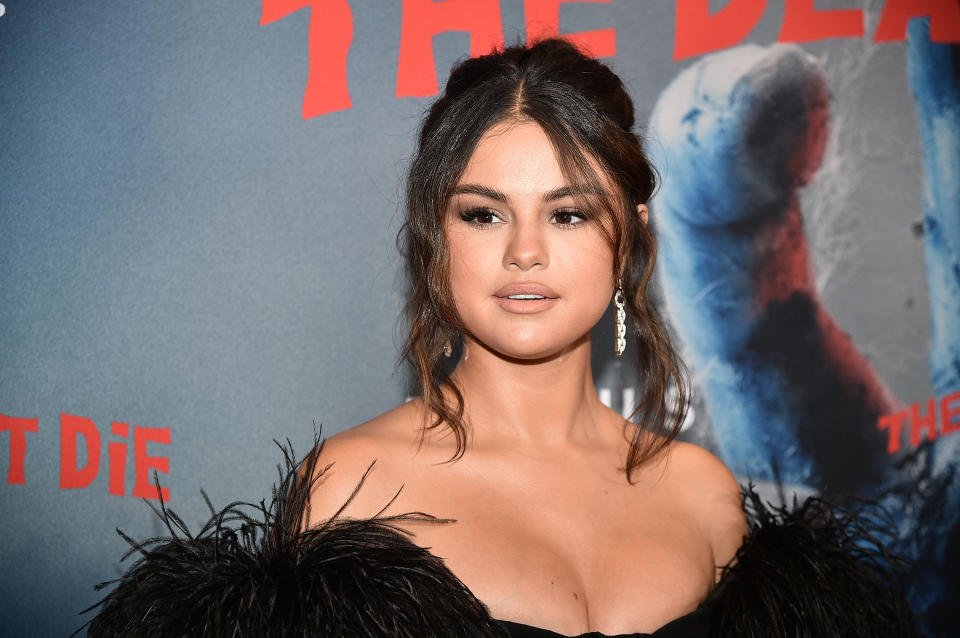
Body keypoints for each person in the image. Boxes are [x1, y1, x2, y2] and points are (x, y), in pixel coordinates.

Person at [81, 39, 916, 638]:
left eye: (568, 212)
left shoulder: (703, 494)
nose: (525, 251)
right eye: (483, 213)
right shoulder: (350, 488)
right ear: (436, 237)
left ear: (628, 234)